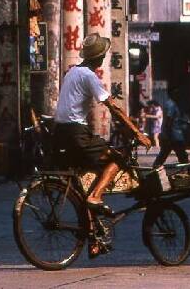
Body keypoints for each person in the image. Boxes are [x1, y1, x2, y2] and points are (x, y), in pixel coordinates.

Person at [53, 34, 151, 244]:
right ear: (98, 57)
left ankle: (94, 238)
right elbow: (113, 106)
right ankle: (97, 196)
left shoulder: (71, 73)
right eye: (103, 55)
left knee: (85, 180)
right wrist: (136, 132)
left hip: (60, 134)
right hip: (77, 133)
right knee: (117, 158)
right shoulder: (88, 76)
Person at [152, 89, 190, 168]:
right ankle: (189, 172)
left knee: (163, 154)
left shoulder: (169, 103)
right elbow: (169, 119)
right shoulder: (172, 105)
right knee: (182, 156)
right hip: (174, 135)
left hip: (170, 135)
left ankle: (154, 169)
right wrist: (168, 134)